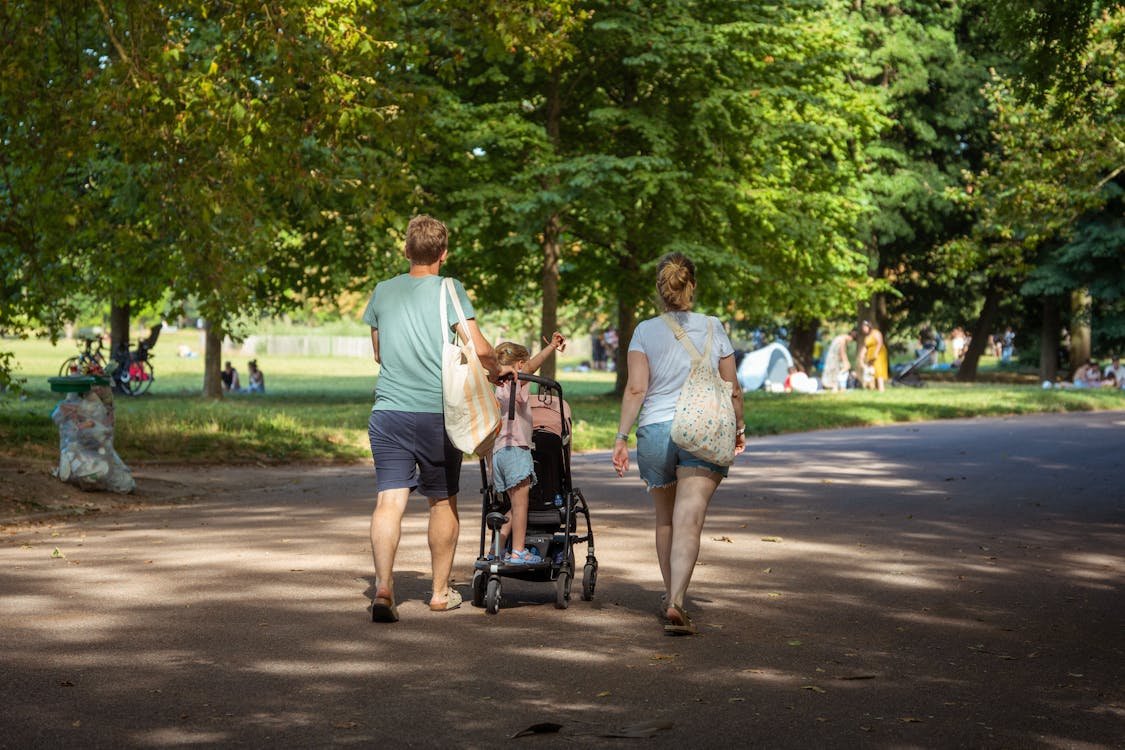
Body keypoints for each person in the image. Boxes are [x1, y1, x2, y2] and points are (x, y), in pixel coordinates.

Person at [362, 214, 514, 623]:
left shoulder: (382, 292)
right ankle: (439, 592)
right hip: (436, 414)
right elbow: (480, 349)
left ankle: (383, 588)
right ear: (443, 253)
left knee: (388, 501)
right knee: (441, 500)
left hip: (389, 412)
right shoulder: (451, 289)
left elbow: (378, 352)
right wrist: (496, 370)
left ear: (406, 250)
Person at [612, 253, 746, 636]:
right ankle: (676, 601)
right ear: (693, 285)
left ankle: (669, 593)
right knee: (690, 517)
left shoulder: (643, 330)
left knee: (666, 519)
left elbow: (637, 388)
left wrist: (621, 437)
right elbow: (732, 388)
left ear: (660, 288)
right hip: (702, 427)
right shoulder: (713, 327)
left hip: (655, 430)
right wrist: (740, 426)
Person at [491, 332, 567, 564]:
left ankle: (498, 546)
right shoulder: (516, 381)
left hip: (497, 453)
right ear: (520, 365)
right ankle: (518, 551)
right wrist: (552, 347)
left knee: (513, 505)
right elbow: (532, 366)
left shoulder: (494, 386)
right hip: (517, 451)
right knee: (521, 505)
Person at [857, 320, 889, 392]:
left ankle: (881, 388)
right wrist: (861, 355)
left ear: (869, 327)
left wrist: (876, 353)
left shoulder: (876, 333)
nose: (863, 329)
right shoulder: (867, 336)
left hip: (879, 353)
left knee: (879, 369)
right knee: (872, 371)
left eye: (865, 327)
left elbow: (880, 343)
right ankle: (874, 387)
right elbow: (866, 346)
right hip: (870, 354)